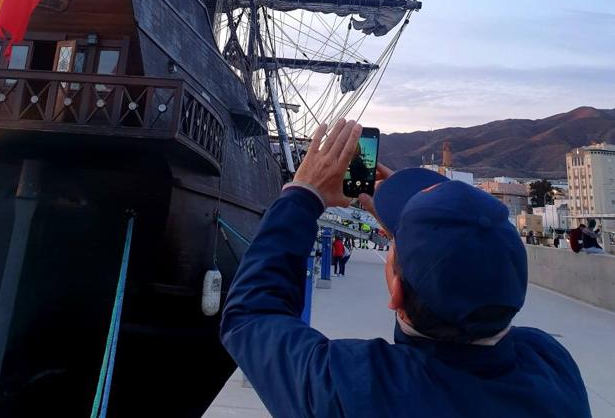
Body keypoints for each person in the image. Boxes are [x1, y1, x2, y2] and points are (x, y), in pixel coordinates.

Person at [221, 118, 590, 418]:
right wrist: (418, 221)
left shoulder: (353, 391)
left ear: (396, 292)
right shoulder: (553, 370)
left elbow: (250, 315)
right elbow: (466, 258)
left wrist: (303, 191)